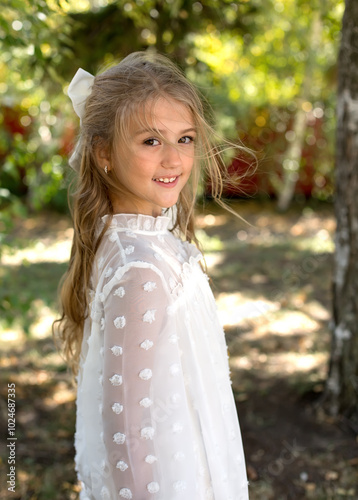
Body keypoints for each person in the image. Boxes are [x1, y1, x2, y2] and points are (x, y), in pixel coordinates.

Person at [54, 51, 249, 500]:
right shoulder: (139, 269)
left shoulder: (146, 241)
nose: (174, 159)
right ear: (103, 153)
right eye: (150, 141)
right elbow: (126, 429)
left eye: (184, 139)